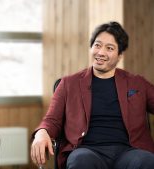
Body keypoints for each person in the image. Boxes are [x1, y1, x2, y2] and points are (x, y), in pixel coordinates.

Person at [31, 21, 154, 169]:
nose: (101, 52)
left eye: (109, 48)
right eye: (97, 45)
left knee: (146, 161)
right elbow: (52, 120)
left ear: (120, 54)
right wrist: (41, 133)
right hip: (87, 150)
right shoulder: (69, 84)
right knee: (81, 161)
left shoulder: (137, 83)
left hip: (130, 151)